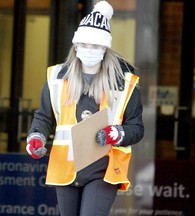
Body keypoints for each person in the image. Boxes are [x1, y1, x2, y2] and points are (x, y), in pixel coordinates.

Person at [26, 1, 144, 215]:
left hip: (103, 169)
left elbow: (136, 127)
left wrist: (116, 133)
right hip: (66, 167)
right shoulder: (56, 78)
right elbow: (44, 116)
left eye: (96, 46)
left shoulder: (125, 83)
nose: (90, 51)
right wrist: (36, 137)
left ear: (105, 48)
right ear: (76, 46)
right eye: (85, 45)